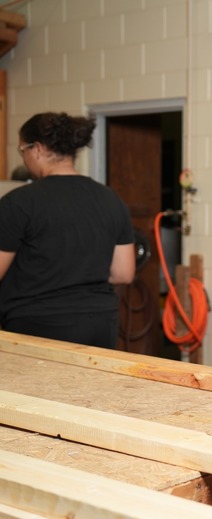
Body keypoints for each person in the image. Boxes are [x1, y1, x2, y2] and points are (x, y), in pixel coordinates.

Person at [0, 112, 135, 349]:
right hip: (101, 323)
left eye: (23, 151)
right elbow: (123, 273)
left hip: (38, 325)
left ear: (38, 149)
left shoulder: (18, 203)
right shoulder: (111, 199)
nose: (24, 160)